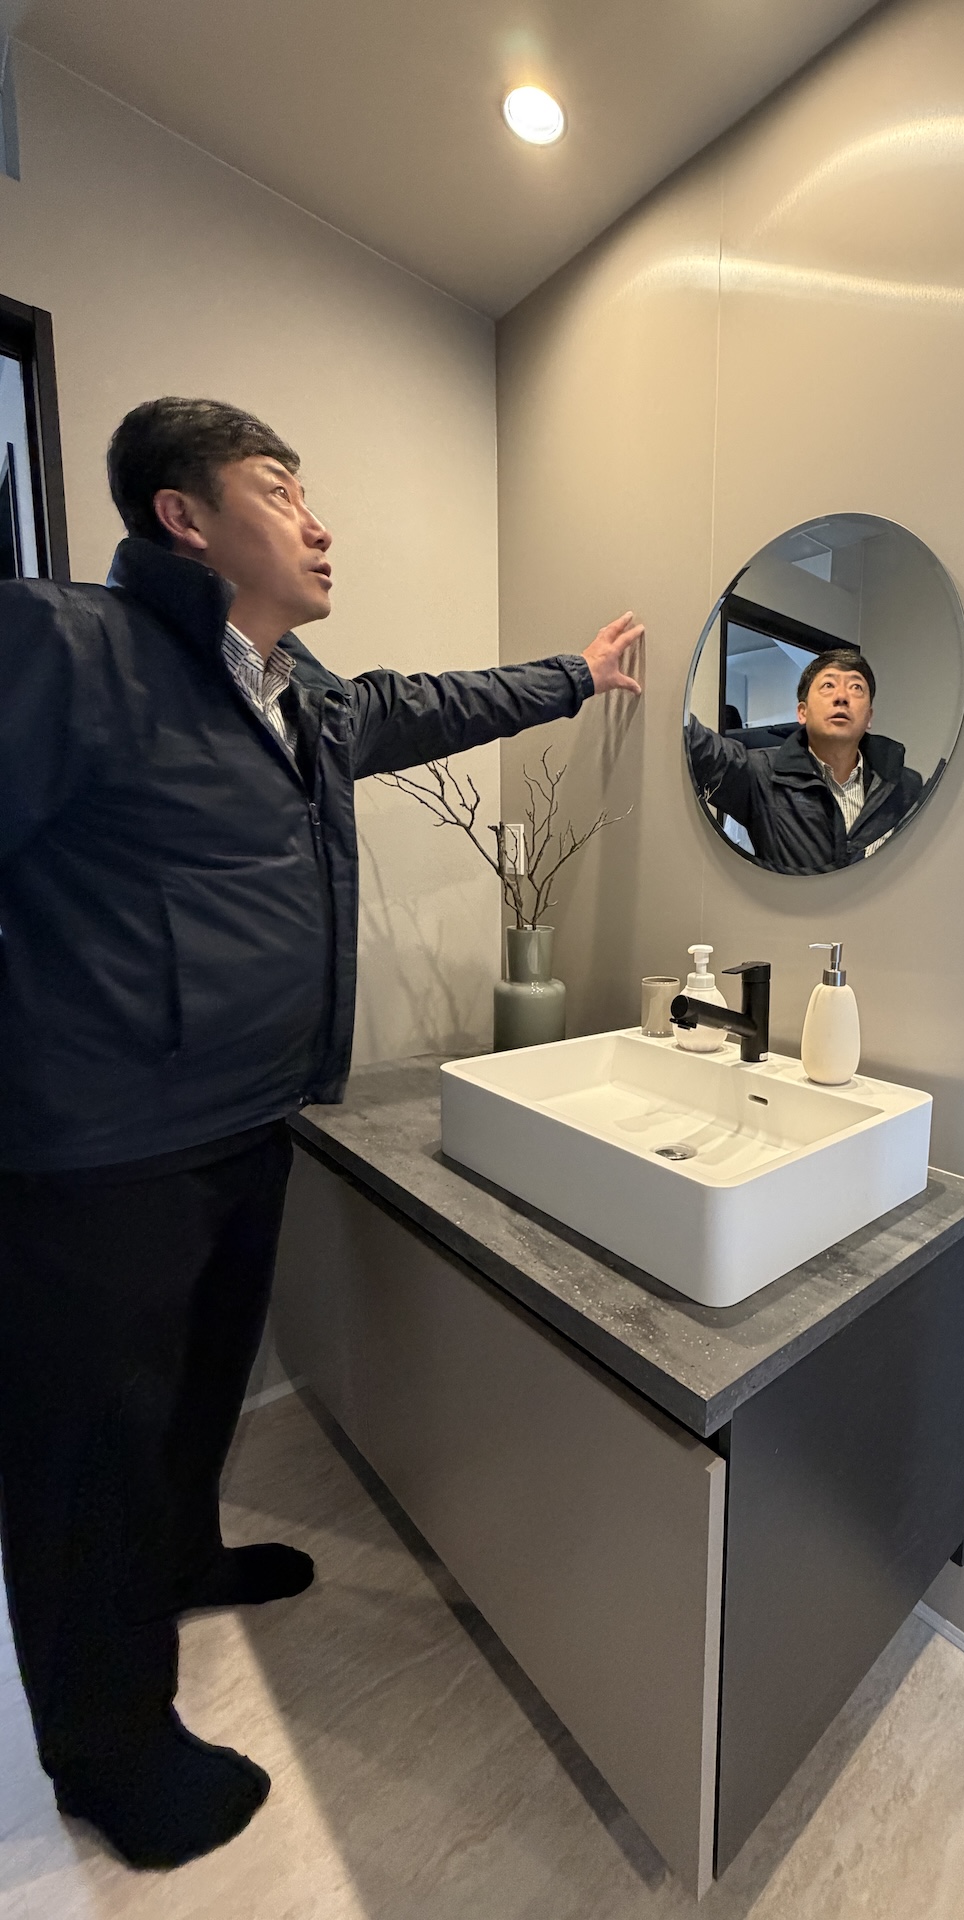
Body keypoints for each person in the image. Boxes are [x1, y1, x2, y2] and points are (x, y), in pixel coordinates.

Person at [0, 396, 642, 1869]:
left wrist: (575, 676)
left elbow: (430, 705)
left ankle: (182, 1557)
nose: (318, 520)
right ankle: (109, 1754)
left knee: (199, 1387)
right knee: (86, 1454)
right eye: (281, 490)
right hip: (98, 1151)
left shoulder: (301, 697)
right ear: (184, 516)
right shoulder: (69, 646)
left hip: (250, 1118)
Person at [685, 648, 924, 873]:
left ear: (869, 716)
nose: (842, 696)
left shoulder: (903, 787)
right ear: (802, 712)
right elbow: (699, 747)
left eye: (856, 687)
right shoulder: (763, 775)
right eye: (828, 685)